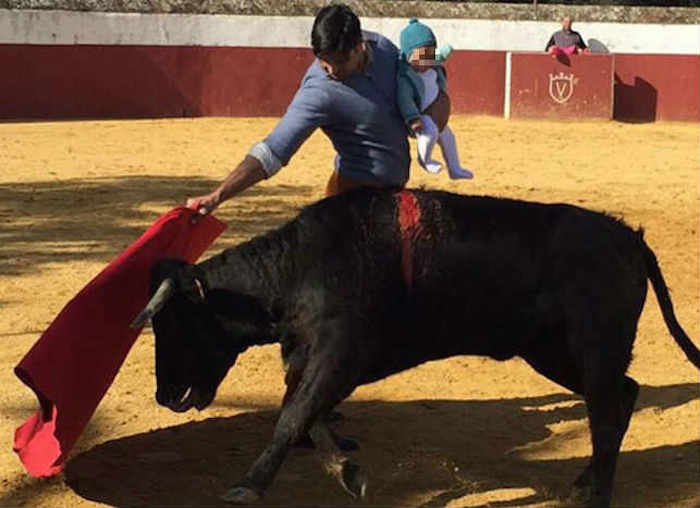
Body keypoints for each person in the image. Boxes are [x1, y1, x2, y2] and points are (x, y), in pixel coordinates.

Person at [186, 4, 451, 215]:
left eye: (338, 61)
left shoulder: (383, 48)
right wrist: (218, 195)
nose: (331, 70)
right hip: (350, 204)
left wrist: (437, 110)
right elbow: (273, 151)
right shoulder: (319, 92)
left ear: (359, 46)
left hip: (394, 198)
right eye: (323, 61)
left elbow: (419, 85)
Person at [397, 18, 473, 180]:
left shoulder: (432, 65)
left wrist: (447, 49)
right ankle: (425, 160)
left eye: (429, 55)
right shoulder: (406, 77)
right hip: (420, 117)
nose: (425, 62)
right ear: (408, 56)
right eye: (420, 57)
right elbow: (404, 99)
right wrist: (413, 118)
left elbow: (442, 55)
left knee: (448, 136)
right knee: (430, 132)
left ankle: (454, 168)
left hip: (436, 116)